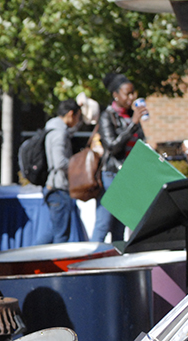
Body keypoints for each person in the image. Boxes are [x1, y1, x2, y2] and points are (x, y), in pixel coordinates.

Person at [92, 73, 148, 242]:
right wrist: (133, 124)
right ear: (116, 95)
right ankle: (90, 264)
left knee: (120, 228)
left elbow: (138, 145)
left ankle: (116, 267)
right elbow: (112, 146)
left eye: (133, 93)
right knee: (104, 223)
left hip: (128, 176)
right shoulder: (107, 116)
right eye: (128, 93)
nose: (132, 97)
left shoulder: (131, 116)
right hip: (112, 175)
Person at [35, 99, 82, 245]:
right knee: (61, 236)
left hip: (53, 187)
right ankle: (48, 265)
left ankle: (34, 262)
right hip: (59, 189)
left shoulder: (52, 128)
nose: (78, 121)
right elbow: (59, 162)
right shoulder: (59, 133)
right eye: (78, 117)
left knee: (52, 232)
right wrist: (78, 165)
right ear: (70, 114)